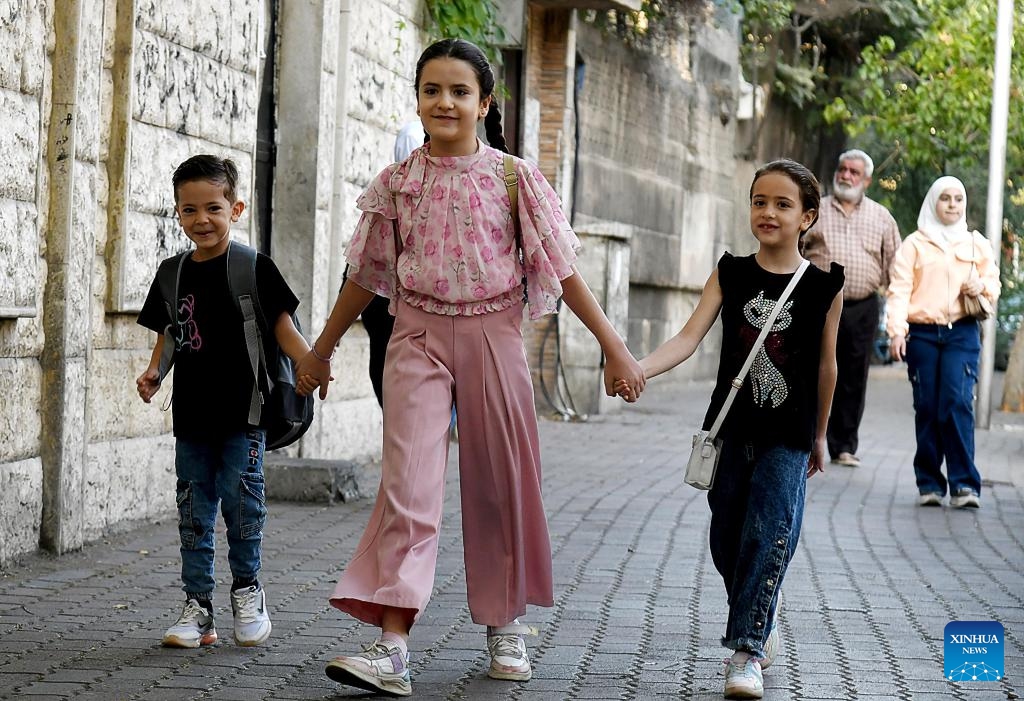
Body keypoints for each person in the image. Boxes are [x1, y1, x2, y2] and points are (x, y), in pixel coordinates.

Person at [294, 38, 644, 696]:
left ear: (486, 102)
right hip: (416, 338)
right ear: (419, 101)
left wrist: (612, 345)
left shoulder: (514, 178)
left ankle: (504, 623)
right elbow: (364, 278)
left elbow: (562, 271)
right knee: (409, 487)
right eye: (432, 90)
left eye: (459, 91)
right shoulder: (395, 185)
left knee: (500, 484)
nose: (445, 102)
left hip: (494, 336)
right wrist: (321, 349)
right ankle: (392, 645)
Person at [617, 159, 844, 699]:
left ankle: (748, 652)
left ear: (807, 216)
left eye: (783, 204)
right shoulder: (730, 272)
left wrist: (820, 435)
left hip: (788, 435)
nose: (768, 212)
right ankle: (762, 596)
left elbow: (826, 366)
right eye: (759, 201)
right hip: (728, 429)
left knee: (769, 534)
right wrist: (640, 367)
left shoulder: (822, 286)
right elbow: (689, 336)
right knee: (727, 541)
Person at [135, 155, 310, 649]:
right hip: (191, 417)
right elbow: (172, 332)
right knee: (193, 509)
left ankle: (247, 591)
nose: (201, 220)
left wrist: (311, 364)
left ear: (234, 209)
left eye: (212, 208)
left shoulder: (252, 267)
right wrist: (155, 372)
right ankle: (197, 608)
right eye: (189, 210)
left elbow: (282, 326)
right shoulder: (172, 274)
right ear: (178, 214)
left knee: (242, 503)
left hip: (245, 414)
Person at [886, 176, 1000, 509]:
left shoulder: (977, 244)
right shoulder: (914, 244)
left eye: (958, 199)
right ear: (933, 203)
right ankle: (929, 483)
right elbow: (899, 290)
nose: (952, 204)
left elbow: (993, 286)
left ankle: (965, 485)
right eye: (945, 198)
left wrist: (982, 287)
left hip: (962, 333)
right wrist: (896, 330)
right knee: (928, 407)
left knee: (957, 402)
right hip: (922, 335)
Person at [801, 149, 901, 467]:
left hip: (862, 307)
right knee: (811, 370)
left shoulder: (882, 217)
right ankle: (806, 438)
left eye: (854, 172)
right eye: (842, 169)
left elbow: (895, 266)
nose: (846, 175)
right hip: (817, 302)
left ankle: (843, 445)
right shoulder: (815, 210)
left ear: (867, 180)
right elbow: (796, 249)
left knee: (853, 375)